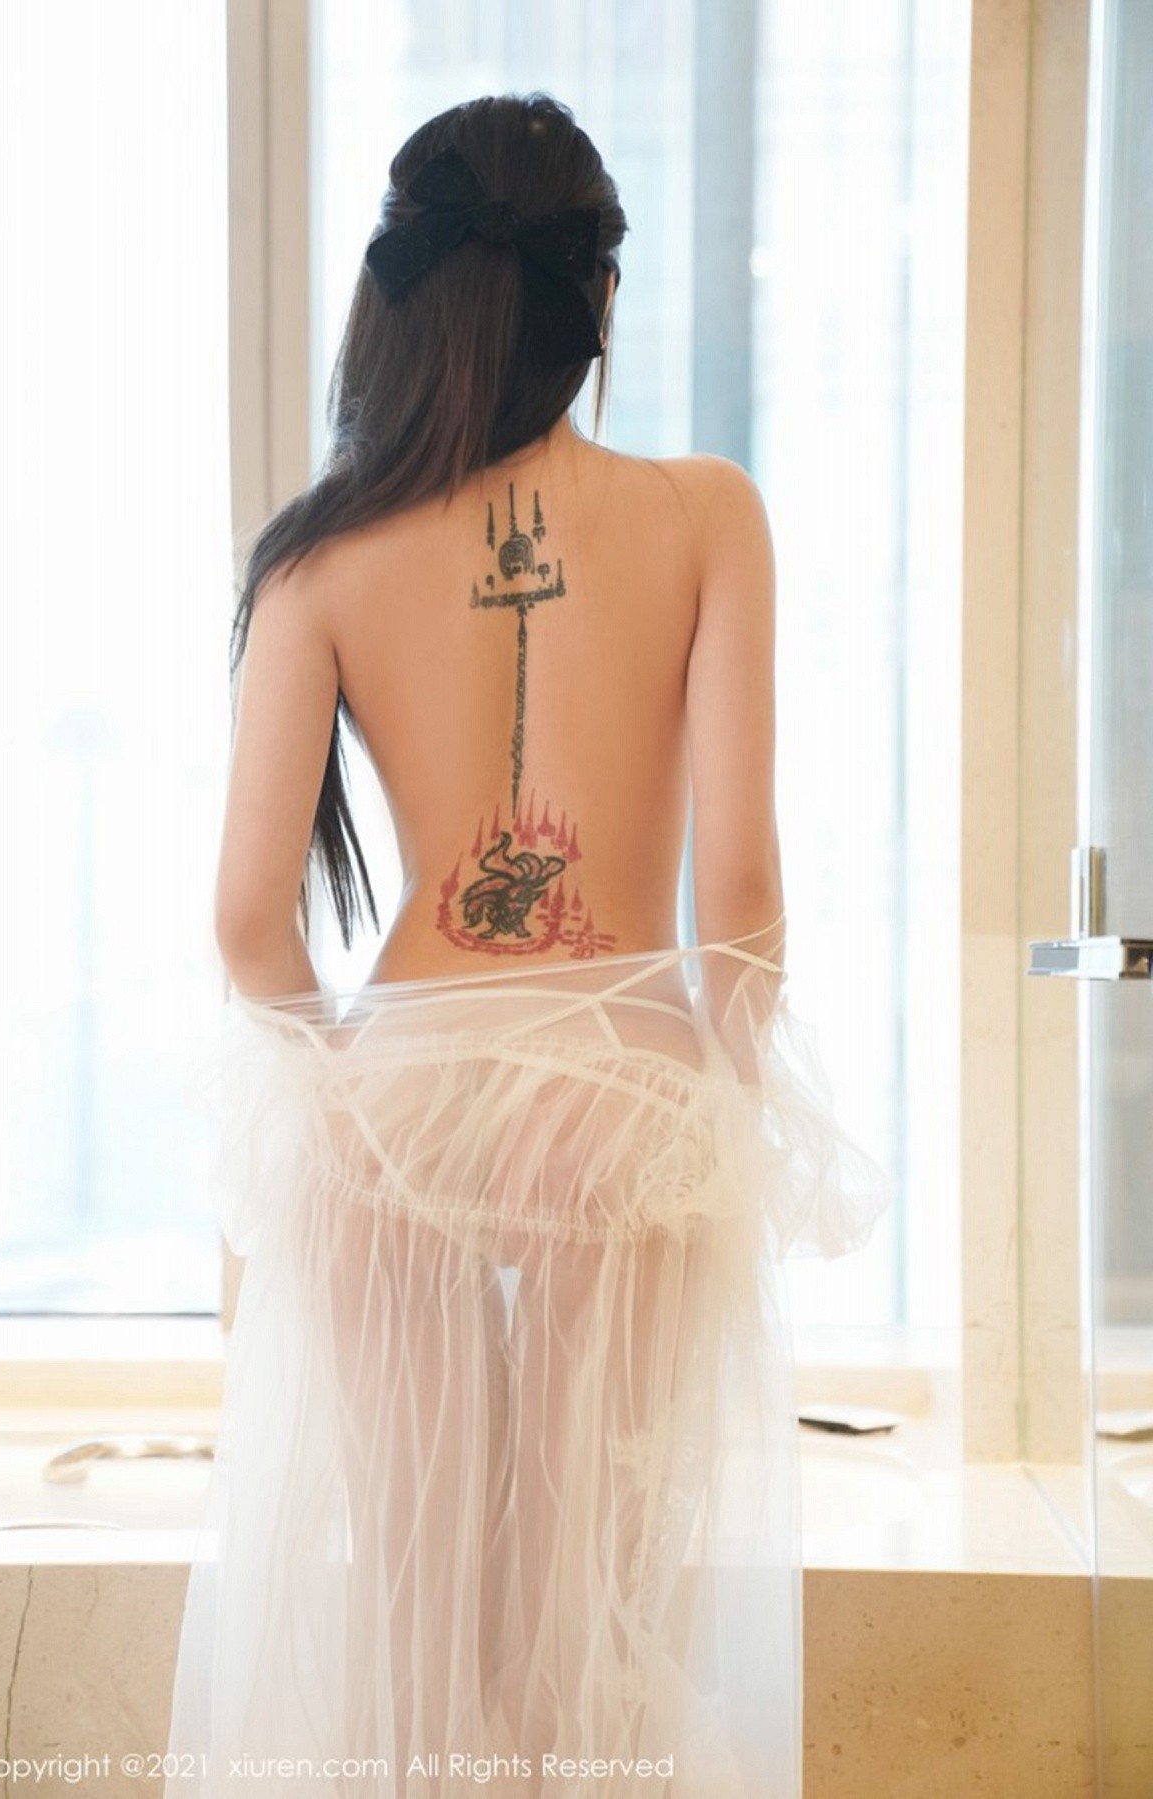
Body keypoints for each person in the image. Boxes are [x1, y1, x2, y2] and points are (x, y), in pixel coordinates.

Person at [165, 92, 891, 1799]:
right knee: (587, 1635)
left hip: (397, 1113)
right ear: (598, 298)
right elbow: (744, 886)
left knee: (415, 1624)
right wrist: (719, 1098)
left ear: (399, 305)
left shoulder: (320, 559)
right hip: (616, 1106)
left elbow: (246, 920)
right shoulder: (707, 514)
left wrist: (340, 1093)